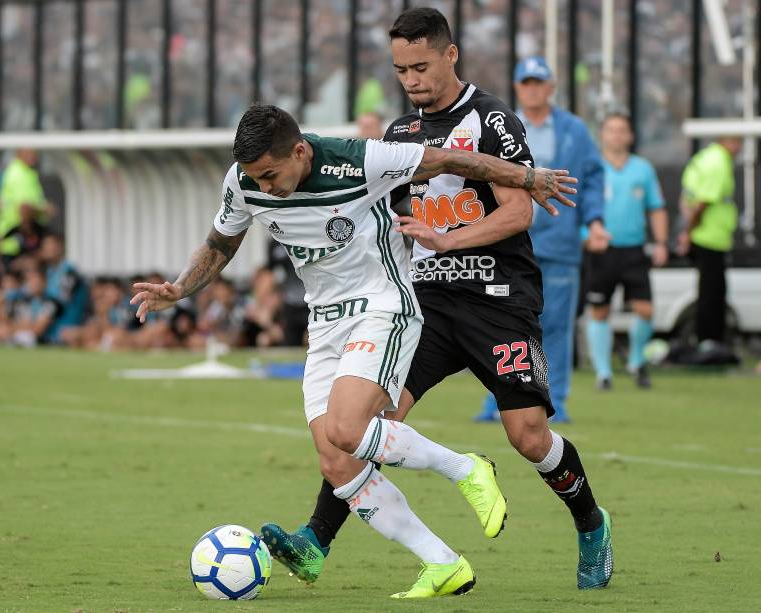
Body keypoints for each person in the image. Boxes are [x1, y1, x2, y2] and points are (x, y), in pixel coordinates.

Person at [131, 103, 577, 598]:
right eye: (255, 177)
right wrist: (179, 288)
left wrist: (529, 175)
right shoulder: (242, 182)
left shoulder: (361, 160)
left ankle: (465, 468)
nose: (264, 187)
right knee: (338, 464)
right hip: (323, 323)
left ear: (300, 151)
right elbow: (221, 241)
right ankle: (442, 562)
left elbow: (453, 160)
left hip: (382, 307)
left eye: (272, 175)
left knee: (347, 430)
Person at [260, 8, 613, 593]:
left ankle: (591, 522)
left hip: (497, 299)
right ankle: (316, 541)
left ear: (451, 55)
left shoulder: (492, 119)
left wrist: (447, 238)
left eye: (421, 65)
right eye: (401, 70)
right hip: (425, 304)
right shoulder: (400, 134)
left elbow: (518, 211)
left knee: (527, 435)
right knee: (367, 421)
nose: (412, 80)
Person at [476, 55, 609, 423]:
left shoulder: (574, 131)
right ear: (518, 88)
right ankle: (500, 401)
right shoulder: (500, 126)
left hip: (559, 243)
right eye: (527, 83)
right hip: (507, 243)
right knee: (503, 326)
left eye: (539, 83)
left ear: (551, 87)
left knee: (555, 327)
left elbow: (593, 180)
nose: (533, 89)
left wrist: (594, 221)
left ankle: (554, 400)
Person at [586, 113, 668, 389]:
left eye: (622, 130)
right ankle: (603, 373)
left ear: (630, 136)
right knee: (600, 310)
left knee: (645, 309)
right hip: (602, 250)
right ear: (603, 135)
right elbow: (579, 207)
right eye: (611, 130)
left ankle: (635, 361)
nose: (617, 136)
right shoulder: (592, 166)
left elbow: (656, 208)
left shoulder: (642, 169)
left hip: (634, 250)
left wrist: (661, 242)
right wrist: (587, 237)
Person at [678, 136, 742, 354]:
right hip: (709, 238)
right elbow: (701, 203)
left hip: (710, 237)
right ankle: (709, 343)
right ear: (726, 141)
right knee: (711, 294)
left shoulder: (704, 158)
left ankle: (710, 342)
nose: (739, 147)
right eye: (737, 141)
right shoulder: (717, 162)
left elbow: (686, 198)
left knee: (711, 291)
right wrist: (688, 232)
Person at [0, 149, 54, 276]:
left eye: (35, 153)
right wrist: (45, 208)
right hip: (14, 242)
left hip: (27, 237)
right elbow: (24, 204)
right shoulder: (17, 174)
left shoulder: (27, 172)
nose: (34, 157)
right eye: (30, 153)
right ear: (19, 153)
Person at [39, 233, 88, 344]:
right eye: (44, 245)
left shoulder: (70, 271)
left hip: (67, 331)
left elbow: (57, 304)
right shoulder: (49, 272)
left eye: (50, 244)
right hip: (50, 331)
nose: (47, 248)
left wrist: (36, 327)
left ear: (60, 247)